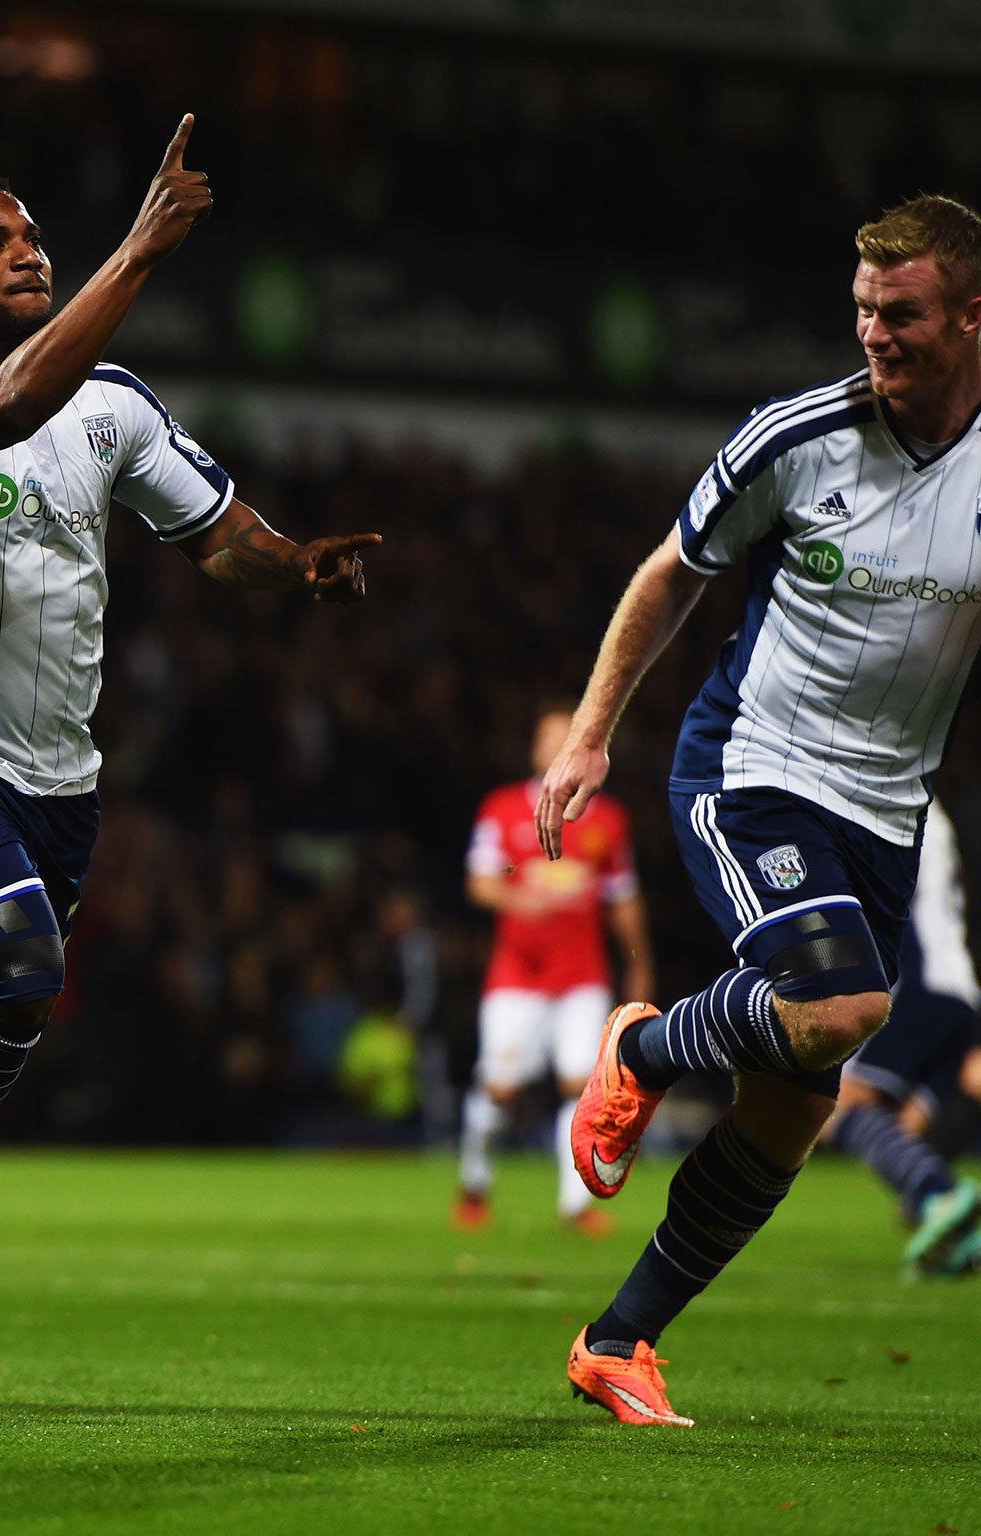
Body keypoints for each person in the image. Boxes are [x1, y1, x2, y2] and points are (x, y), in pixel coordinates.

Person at [0, 116, 381, 1343]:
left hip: (61, 774)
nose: (27, 252)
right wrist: (140, 251)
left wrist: (292, 565)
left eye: (34, 236)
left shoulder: (116, 406)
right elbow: (4, 406)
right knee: (19, 968)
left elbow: (217, 536)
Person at [539, 195, 981, 1426]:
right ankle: (641, 1050)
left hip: (885, 811)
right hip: (752, 768)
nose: (873, 336)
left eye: (898, 315)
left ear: (969, 315)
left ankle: (616, 1340)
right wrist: (588, 735)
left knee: (795, 1104)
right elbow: (669, 573)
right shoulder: (794, 439)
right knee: (841, 1007)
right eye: (859, 313)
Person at [456, 704, 653, 1235]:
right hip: (517, 975)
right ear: (535, 748)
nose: (555, 746)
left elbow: (624, 897)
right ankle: (474, 1181)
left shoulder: (607, 820)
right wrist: (521, 897)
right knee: (500, 1087)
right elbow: (482, 880)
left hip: (582, 976)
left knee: (578, 1085)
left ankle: (574, 1205)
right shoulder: (502, 810)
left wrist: (639, 964)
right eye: (547, 738)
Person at [819, 796, 981, 1275]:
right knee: (901, 1130)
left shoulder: (900, 807)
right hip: (957, 989)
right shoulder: (931, 811)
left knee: (836, 1106)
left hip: (922, 987)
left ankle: (941, 1195)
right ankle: (958, 1241)